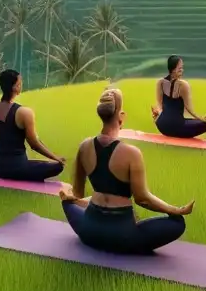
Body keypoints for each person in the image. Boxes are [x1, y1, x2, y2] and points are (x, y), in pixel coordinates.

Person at [60, 88, 193, 255]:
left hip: (89, 231)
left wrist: (72, 200)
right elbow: (142, 199)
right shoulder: (131, 153)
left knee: (67, 202)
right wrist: (175, 210)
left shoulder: (84, 146)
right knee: (177, 223)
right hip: (121, 237)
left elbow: (78, 192)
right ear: (121, 116)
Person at [0, 69, 65, 182]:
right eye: (20, 83)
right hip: (16, 167)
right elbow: (34, 144)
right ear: (15, 87)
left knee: (42, 164)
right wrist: (56, 158)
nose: (21, 85)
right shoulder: (24, 112)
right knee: (58, 166)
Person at [150, 55, 206, 138]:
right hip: (177, 127)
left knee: (183, 121)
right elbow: (189, 110)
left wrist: (159, 114)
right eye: (180, 68)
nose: (182, 70)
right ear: (173, 69)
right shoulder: (184, 85)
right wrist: (201, 119)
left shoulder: (160, 82)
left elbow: (159, 105)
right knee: (205, 125)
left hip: (162, 126)